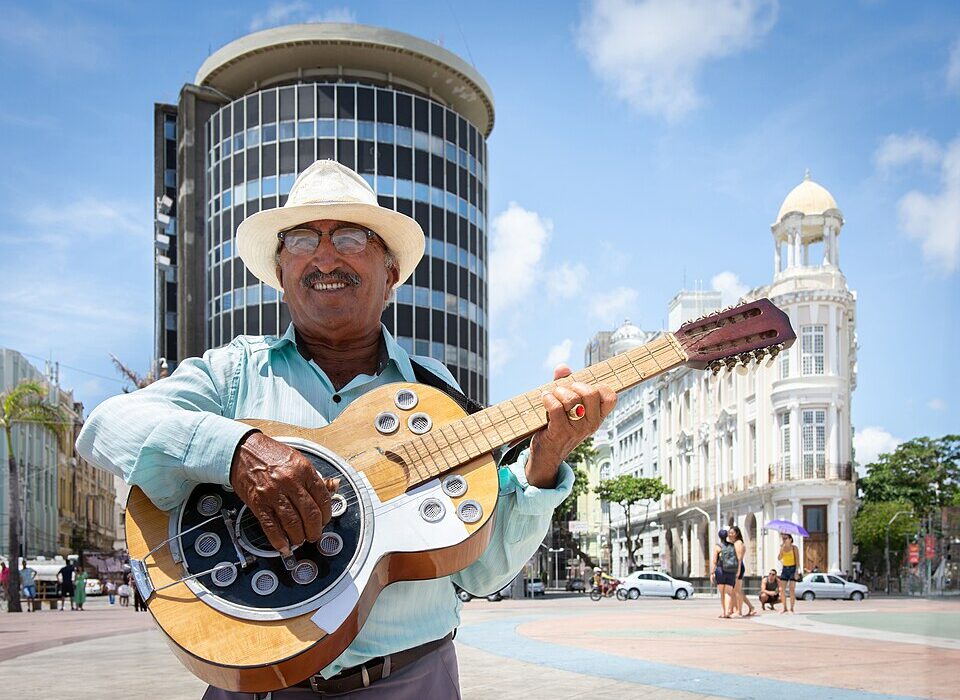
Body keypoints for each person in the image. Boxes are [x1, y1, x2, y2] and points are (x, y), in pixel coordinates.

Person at [76, 160, 617, 699]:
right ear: (281, 274)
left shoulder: (439, 394)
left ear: (391, 274)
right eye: (303, 239)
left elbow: (481, 572)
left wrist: (544, 462)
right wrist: (238, 451)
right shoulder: (232, 374)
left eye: (352, 237)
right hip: (252, 684)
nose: (325, 255)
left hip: (411, 680)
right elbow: (107, 426)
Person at [728, 525, 756, 617]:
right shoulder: (734, 543)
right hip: (733, 567)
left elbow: (739, 558)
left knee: (737, 591)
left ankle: (739, 611)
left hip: (737, 567)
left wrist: (738, 570)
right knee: (735, 590)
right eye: (729, 533)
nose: (730, 534)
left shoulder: (739, 543)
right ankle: (750, 607)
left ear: (737, 534)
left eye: (732, 533)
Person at [711, 529, 738, 618]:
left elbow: (714, 561)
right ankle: (727, 611)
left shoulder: (717, 547)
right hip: (731, 571)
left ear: (719, 536)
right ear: (727, 536)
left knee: (722, 593)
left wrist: (712, 573)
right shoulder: (732, 545)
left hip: (720, 570)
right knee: (728, 593)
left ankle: (724, 612)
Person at [777, 533, 800, 613]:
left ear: (790, 539)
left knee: (792, 589)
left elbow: (797, 560)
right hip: (785, 568)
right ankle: (784, 607)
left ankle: (792, 608)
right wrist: (781, 550)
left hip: (793, 568)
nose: (784, 540)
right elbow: (779, 558)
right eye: (783, 538)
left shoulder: (794, 548)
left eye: (786, 538)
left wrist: (796, 571)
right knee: (782, 589)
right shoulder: (782, 548)